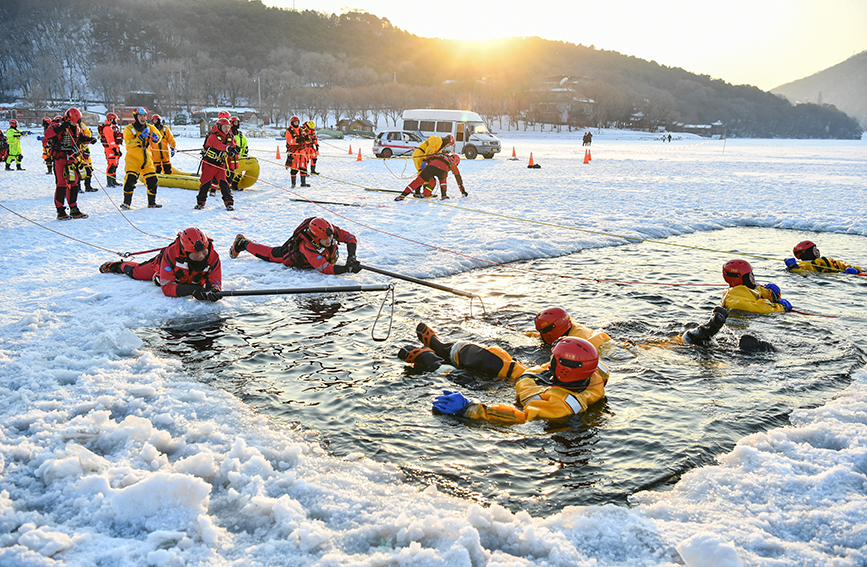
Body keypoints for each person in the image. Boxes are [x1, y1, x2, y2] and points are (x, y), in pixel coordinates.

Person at [399, 323, 609, 425]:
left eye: (554, 358)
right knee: (493, 357)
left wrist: (471, 408)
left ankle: (433, 362)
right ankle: (445, 348)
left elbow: (519, 417)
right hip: (535, 378)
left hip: (516, 391)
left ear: (563, 368)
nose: (551, 359)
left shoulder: (560, 405)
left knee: (466, 380)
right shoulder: (589, 373)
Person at [98, 227, 222, 301]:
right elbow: (167, 288)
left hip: (189, 279)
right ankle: (118, 266)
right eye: (195, 254)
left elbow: (215, 282)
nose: (201, 256)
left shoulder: (213, 257)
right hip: (160, 265)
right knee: (136, 273)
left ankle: (158, 277)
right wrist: (192, 291)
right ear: (185, 251)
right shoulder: (171, 254)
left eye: (203, 251)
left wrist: (214, 291)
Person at [228, 217, 362, 275]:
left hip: (319, 253)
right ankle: (242, 243)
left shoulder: (330, 230)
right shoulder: (307, 245)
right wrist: (346, 269)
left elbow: (351, 238)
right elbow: (324, 268)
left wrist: (351, 257)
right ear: (315, 238)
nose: (329, 241)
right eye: (325, 240)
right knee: (270, 254)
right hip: (293, 255)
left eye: (331, 238)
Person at [42, 109, 88, 220]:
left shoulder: (76, 127)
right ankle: (60, 210)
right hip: (60, 159)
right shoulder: (57, 125)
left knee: (74, 182)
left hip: (72, 159)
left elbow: (81, 137)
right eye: (73, 122)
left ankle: (74, 208)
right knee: (61, 184)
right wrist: (61, 127)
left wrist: (89, 139)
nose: (75, 124)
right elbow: (47, 135)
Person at [121, 107, 162, 209]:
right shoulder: (129, 128)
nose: (143, 118)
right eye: (140, 116)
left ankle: (152, 202)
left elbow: (159, 136)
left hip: (146, 158)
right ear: (136, 117)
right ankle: (126, 203)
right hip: (133, 158)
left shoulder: (149, 127)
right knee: (130, 179)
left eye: (144, 116)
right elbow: (128, 143)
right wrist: (140, 138)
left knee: (152, 180)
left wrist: (156, 138)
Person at [196, 117, 237, 211]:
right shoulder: (212, 136)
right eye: (224, 127)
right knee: (205, 183)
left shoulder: (229, 136)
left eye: (228, 127)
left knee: (224, 184)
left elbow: (233, 144)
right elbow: (216, 145)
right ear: (219, 127)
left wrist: (235, 149)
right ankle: (200, 202)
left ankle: (229, 203)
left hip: (220, 164)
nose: (227, 129)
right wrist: (227, 148)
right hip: (209, 164)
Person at [721, 259, 792, 313]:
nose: (753, 278)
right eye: (749, 275)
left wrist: (772, 294)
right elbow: (762, 309)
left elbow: (757, 292)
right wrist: (782, 307)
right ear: (741, 278)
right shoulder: (736, 300)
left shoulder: (746, 289)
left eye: (752, 274)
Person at [394, 152, 468, 201]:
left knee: (419, 181)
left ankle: (402, 195)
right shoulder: (451, 162)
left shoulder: (440, 155)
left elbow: (428, 158)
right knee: (443, 180)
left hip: (430, 167)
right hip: (442, 170)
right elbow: (458, 178)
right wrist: (463, 191)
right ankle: (444, 195)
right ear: (456, 161)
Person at [784, 240, 863, 275]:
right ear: (806, 254)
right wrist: (793, 267)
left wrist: (855, 269)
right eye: (814, 251)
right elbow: (804, 273)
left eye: (817, 250)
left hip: (841, 274)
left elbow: (841, 264)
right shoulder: (804, 266)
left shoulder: (827, 260)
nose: (817, 252)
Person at [284, 115, 312, 188]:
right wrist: (297, 140)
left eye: (297, 122)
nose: (296, 123)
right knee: (294, 168)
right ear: (292, 123)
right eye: (295, 122)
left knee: (303, 167)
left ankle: (303, 183)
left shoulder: (301, 130)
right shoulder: (289, 131)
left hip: (302, 151)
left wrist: (307, 138)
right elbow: (289, 141)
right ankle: (293, 183)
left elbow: (306, 139)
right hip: (294, 152)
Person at [98, 112, 123, 186]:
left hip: (115, 147)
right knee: (111, 164)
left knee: (115, 165)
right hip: (110, 149)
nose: (116, 120)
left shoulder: (113, 127)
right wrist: (114, 149)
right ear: (111, 119)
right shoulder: (107, 128)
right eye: (115, 119)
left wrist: (118, 150)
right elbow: (110, 140)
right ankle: (109, 183)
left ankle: (114, 181)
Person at [75, 117, 98, 192]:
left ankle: (88, 186)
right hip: (75, 151)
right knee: (77, 170)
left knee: (89, 169)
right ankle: (77, 187)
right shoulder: (70, 127)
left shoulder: (82, 125)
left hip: (84, 150)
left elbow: (88, 133)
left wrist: (89, 139)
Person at [228, 116, 248, 192]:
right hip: (230, 156)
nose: (237, 124)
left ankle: (235, 185)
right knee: (230, 171)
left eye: (238, 122)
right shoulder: (229, 133)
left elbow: (245, 142)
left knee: (239, 172)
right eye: (236, 122)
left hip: (239, 156)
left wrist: (245, 150)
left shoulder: (240, 134)